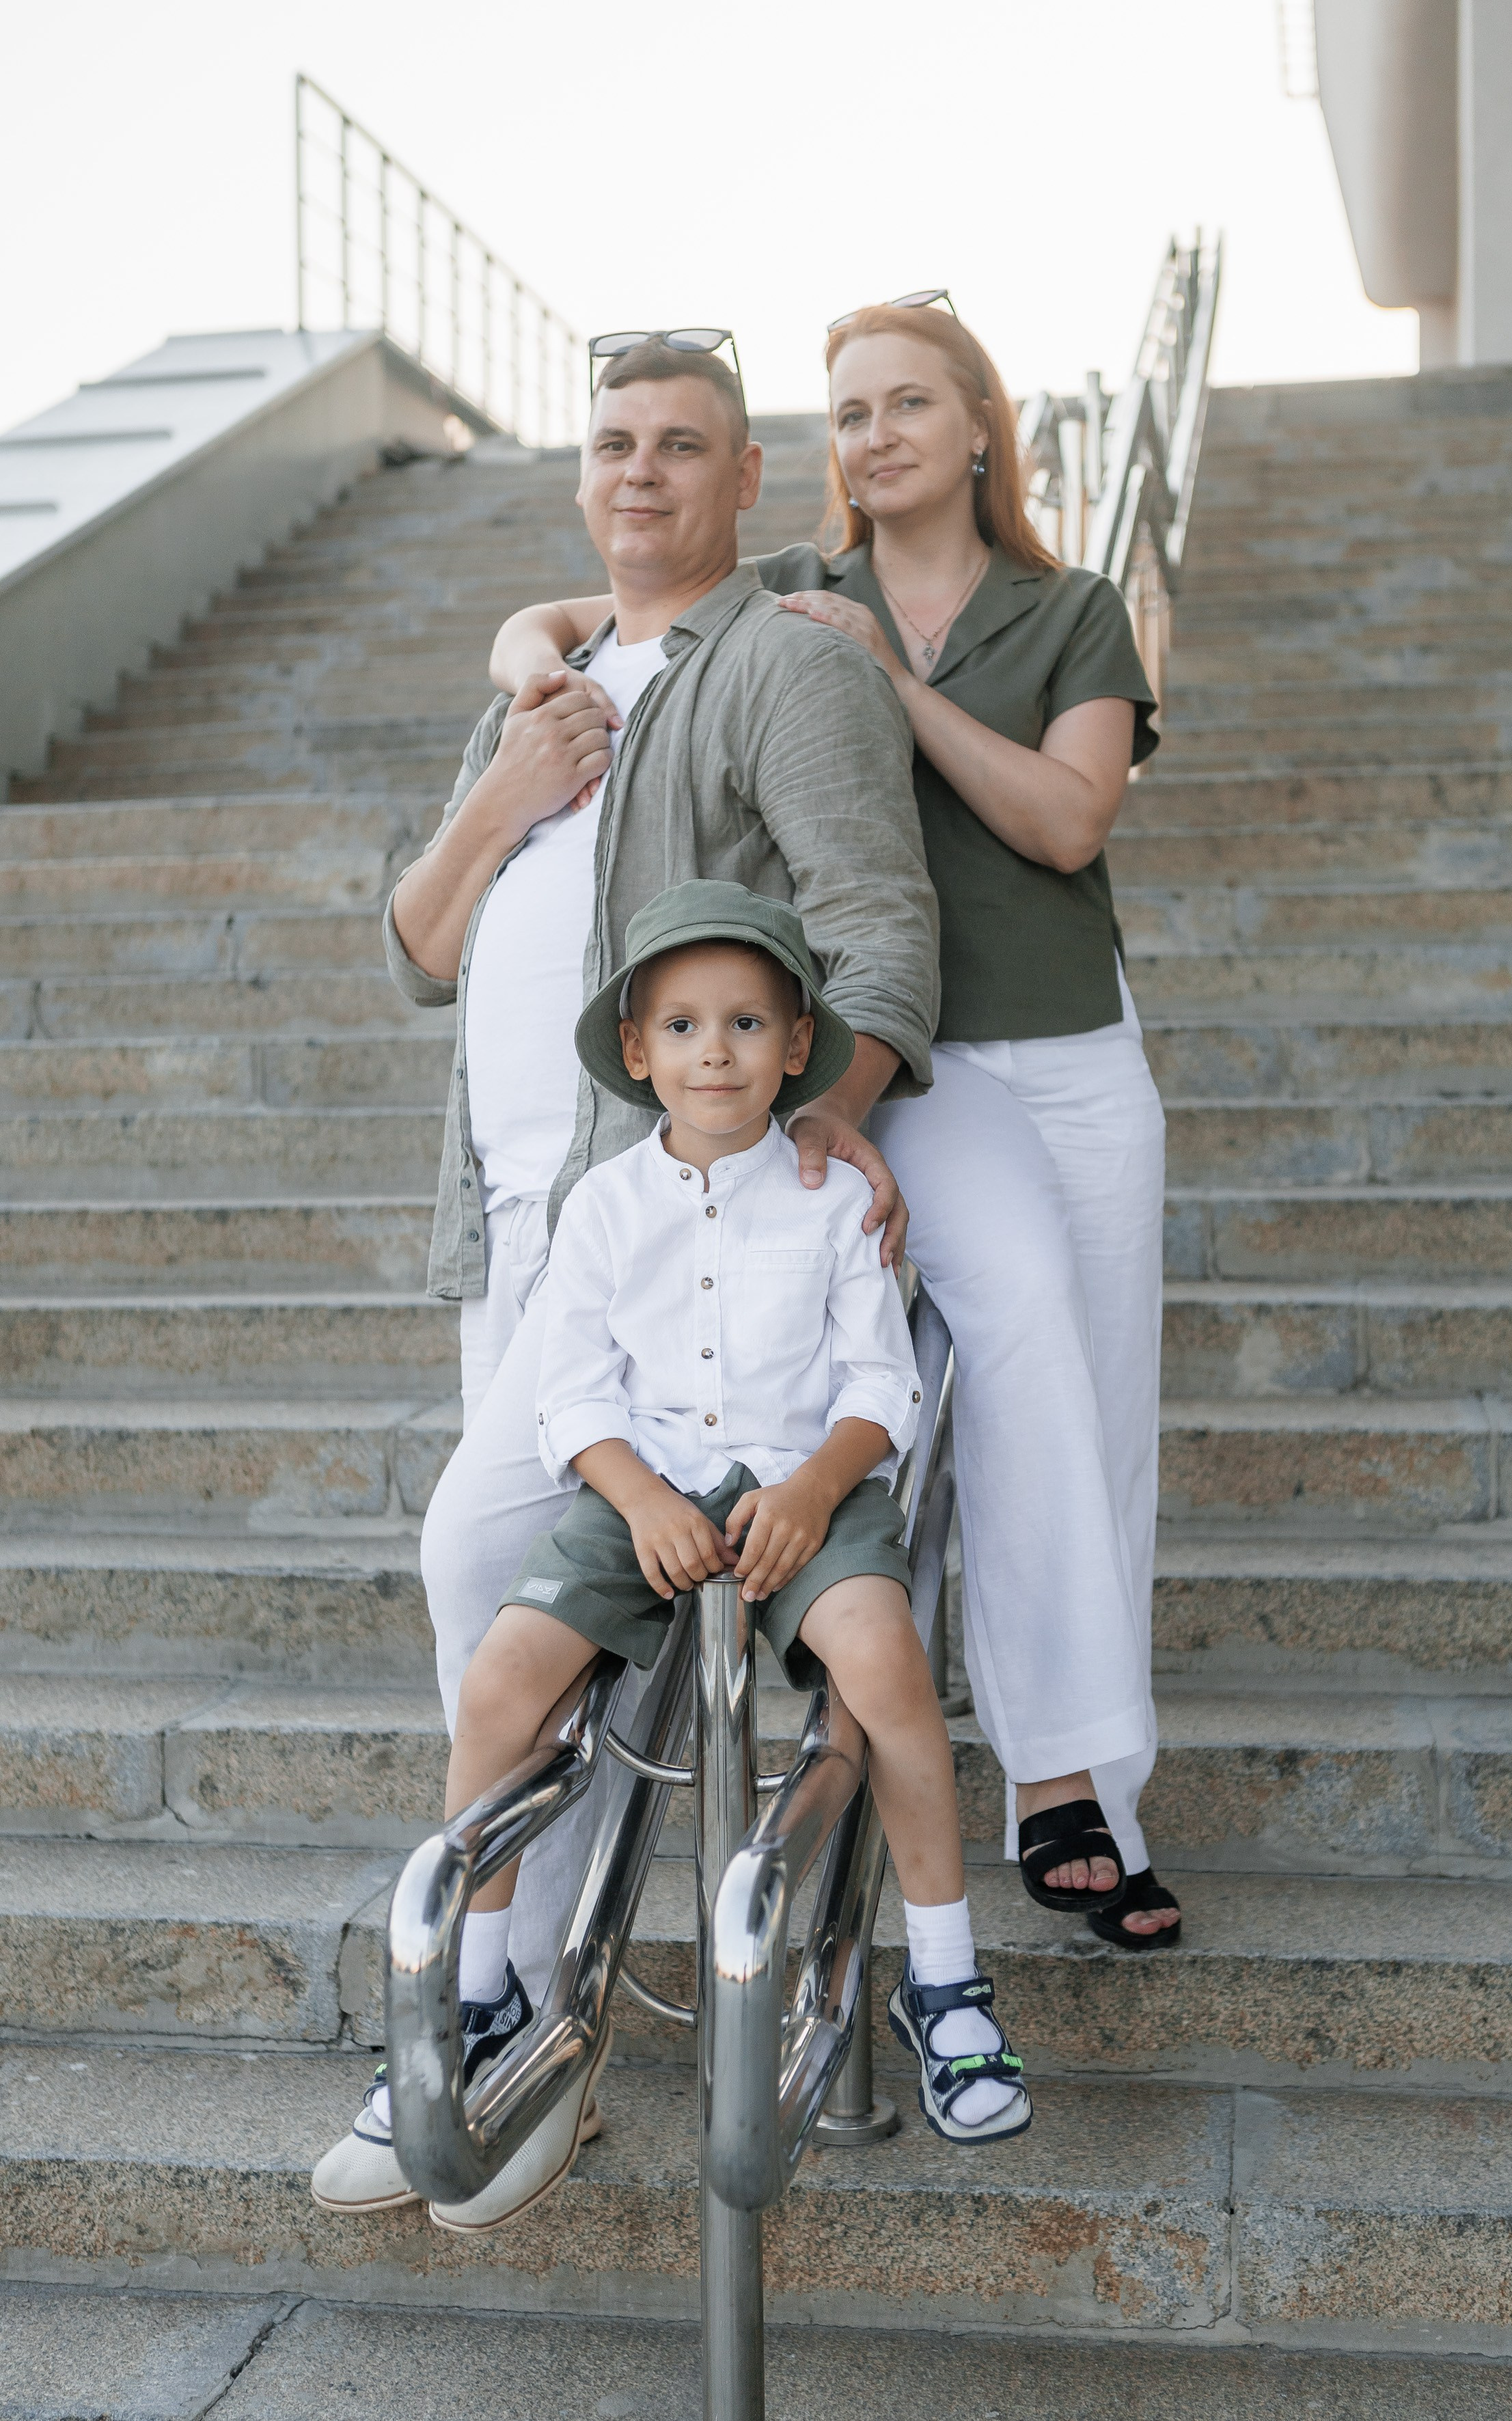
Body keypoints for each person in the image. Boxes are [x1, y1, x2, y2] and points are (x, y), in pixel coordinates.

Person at [312, 336, 939, 2220]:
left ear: (752, 476)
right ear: (576, 475)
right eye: (610, 444)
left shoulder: (784, 663)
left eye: (683, 445)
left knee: (473, 1558)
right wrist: (507, 782)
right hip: (502, 1221)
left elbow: (879, 919)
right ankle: (520, 2004)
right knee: (528, 1596)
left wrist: (828, 1126)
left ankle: (502, 2003)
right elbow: (419, 942)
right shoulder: (549, 681)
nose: (640, 473)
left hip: (649, 1224)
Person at [489, 299, 1180, 1949]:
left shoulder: (1066, 609)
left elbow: (1069, 820)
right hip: (881, 1055)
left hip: (1062, 1050)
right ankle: (929, 1732)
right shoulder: (802, 591)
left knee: (1080, 1391)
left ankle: (1073, 1777)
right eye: (848, 411)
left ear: (979, 426)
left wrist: (896, 682)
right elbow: (582, 606)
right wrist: (528, 663)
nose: (872, 437)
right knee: (975, 1344)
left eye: (907, 405)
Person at [413, 882, 1032, 2231]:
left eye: (746, 1021)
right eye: (683, 1024)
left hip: (803, 1486)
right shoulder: (603, 1204)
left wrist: (817, 1486)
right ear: (635, 1049)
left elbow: (882, 1384)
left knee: (883, 1662)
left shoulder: (833, 1202)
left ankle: (942, 1979)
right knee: (505, 1677)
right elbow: (568, 1395)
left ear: (796, 1042)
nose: (715, 1050)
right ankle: (477, 1982)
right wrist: (635, 1498)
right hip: (643, 1491)